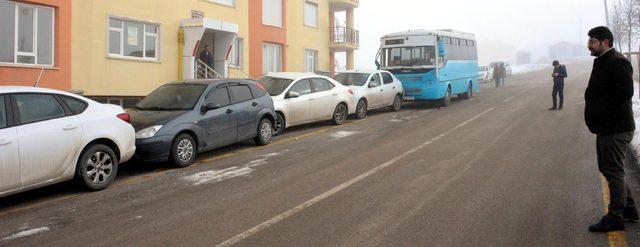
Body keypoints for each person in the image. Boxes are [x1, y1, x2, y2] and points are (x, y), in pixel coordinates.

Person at [584, 26, 638, 232]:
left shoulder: (616, 62)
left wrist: (603, 113)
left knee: (613, 171)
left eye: (592, 41)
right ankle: (629, 209)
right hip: (607, 127)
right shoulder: (605, 60)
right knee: (609, 169)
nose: (589, 45)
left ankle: (615, 217)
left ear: (605, 42)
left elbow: (625, 92)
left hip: (615, 128)